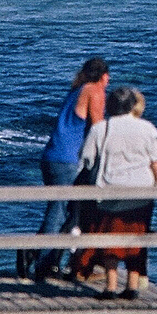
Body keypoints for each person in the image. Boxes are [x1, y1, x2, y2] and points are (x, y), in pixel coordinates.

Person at [76, 85, 157, 299]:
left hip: (109, 191)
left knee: (109, 240)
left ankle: (111, 287)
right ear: (132, 105)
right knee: (136, 240)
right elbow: (156, 162)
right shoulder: (148, 128)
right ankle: (132, 287)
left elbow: (87, 159)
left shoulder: (100, 128)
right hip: (140, 194)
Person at [28, 56, 108, 281]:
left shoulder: (77, 89)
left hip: (54, 156)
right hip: (67, 159)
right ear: (103, 76)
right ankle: (43, 262)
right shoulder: (94, 90)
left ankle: (48, 258)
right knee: (61, 210)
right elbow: (98, 127)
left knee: (71, 212)